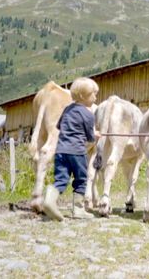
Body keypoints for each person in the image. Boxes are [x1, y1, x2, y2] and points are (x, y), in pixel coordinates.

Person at [41, 77, 101, 221]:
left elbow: (59, 127)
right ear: (83, 96)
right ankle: (78, 210)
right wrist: (96, 135)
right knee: (81, 179)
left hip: (61, 151)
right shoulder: (88, 115)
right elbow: (89, 138)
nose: (95, 96)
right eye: (93, 93)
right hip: (77, 152)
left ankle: (50, 197)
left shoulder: (67, 109)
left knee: (61, 179)